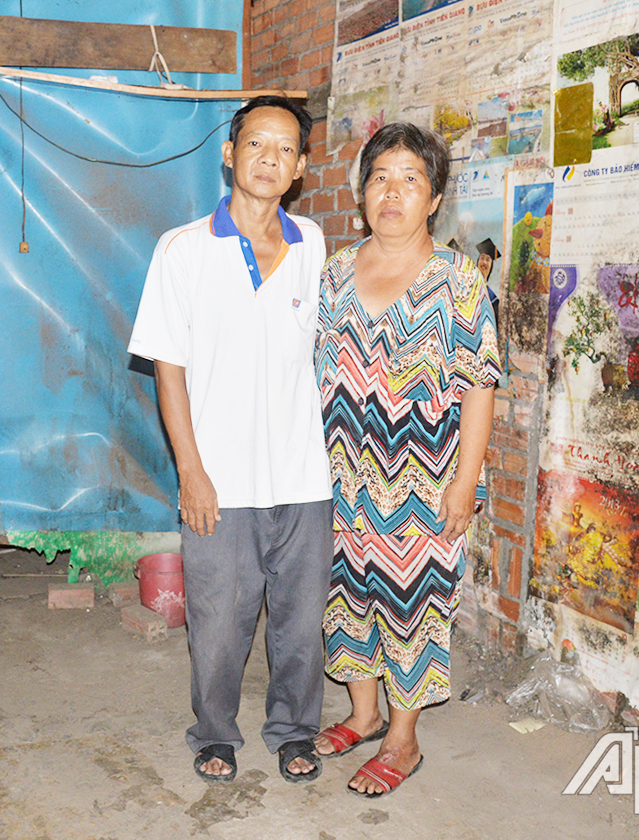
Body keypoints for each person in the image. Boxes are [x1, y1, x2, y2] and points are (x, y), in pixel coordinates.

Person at [128, 96, 332, 784]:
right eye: (256, 144)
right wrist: (191, 472)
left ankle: (295, 732)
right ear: (229, 153)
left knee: (300, 622)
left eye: (285, 149)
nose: (269, 158)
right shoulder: (183, 249)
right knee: (218, 621)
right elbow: (168, 369)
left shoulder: (312, 245)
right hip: (219, 479)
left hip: (303, 475)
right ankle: (215, 734)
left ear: (300, 168)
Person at [312, 122, 500, 797]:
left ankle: (403, 737)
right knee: (345, 594)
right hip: (339, 474)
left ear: (434, 198)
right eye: (380, 178)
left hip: (422, 481)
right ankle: (362, 715)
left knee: (410, 605)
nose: (391, 193)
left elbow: (480, 386)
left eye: (410, 180)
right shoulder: (336, 272)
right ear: (363, 192)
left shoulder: (458, 281)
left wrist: (465, 483)